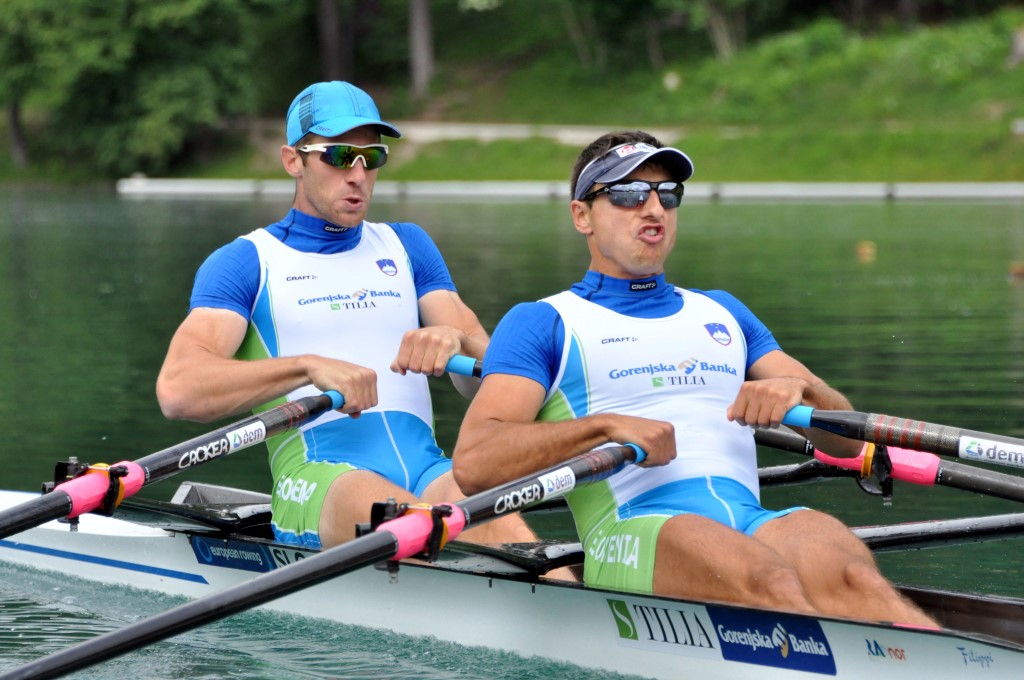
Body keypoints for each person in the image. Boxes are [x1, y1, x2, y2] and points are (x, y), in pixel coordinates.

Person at [452, 130, 936, 625]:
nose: (653, 209)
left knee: (853, 577)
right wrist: (605, 428)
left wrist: (803, 390)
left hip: (752, 522)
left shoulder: (723, 311)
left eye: (667, 194)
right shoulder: (544, 322)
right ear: (582, 216)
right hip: (636, 530)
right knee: (768, 580)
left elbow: (849, 444)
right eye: (628, 194)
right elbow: (475, 462)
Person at [155, 80, 545, 557]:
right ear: (293, 160)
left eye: (372, 157)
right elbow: (178, 390)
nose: (358, 175)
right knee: (419, 527)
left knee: (519, 546)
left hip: (429, 470)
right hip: (321, 479)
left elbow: (492, 379)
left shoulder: (408, 245)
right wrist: (308, 367)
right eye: (340, 156)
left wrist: (457, 341)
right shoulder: (247, 262)